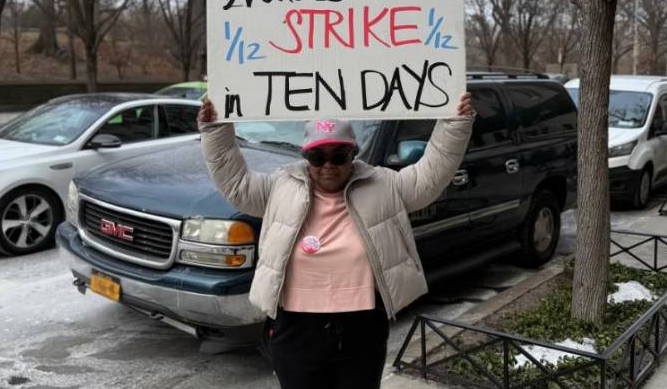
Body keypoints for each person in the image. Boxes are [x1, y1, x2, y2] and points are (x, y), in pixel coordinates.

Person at [197, 94, 475, 389]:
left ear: (352, 154)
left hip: (362, 327)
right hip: (296, 327)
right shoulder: (279, 186)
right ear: (306, 157)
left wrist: (454, 123)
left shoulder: (385, 185)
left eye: (338, 156)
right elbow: (234, 180)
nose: (328, 165)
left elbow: (431, 175)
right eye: (318, 157)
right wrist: (215, 129)